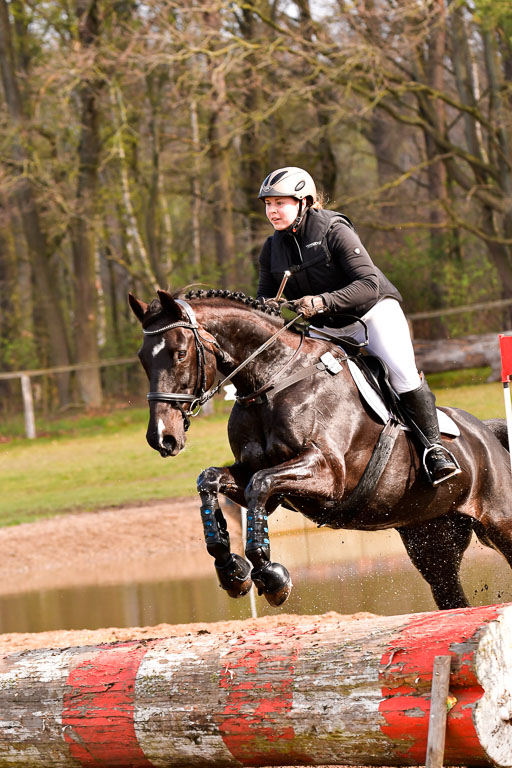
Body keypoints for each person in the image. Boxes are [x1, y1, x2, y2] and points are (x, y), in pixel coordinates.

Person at [256, 166, 460, 485]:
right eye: (268, 204)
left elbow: (368, 284)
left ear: (303, 202)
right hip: (326, 329)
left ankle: (435, 450)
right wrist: (266, 309)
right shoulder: (271, 249)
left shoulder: (333, 230)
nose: (272, 211)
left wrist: (322, 301)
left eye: (280, 203)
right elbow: (265, 300)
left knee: (401, 373)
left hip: (371, 314)